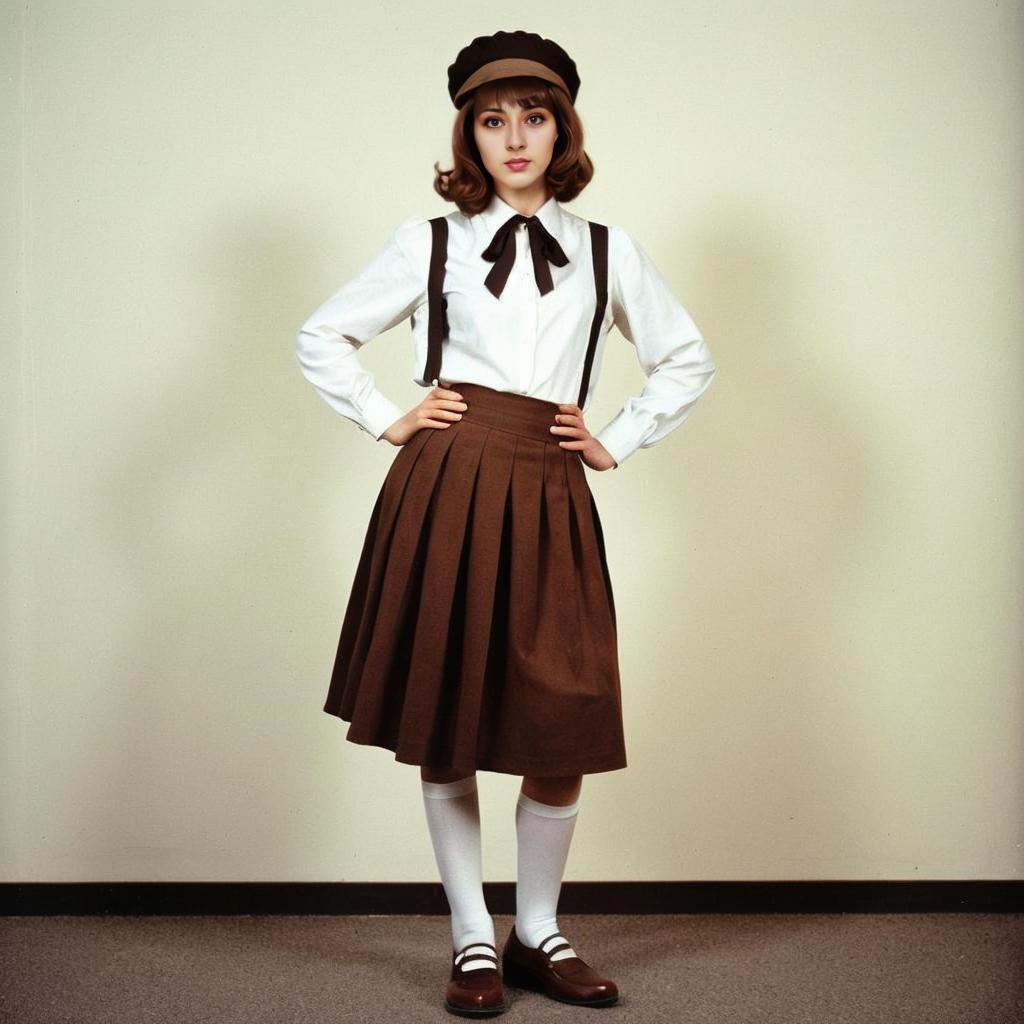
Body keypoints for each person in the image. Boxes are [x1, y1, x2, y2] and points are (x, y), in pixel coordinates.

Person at [295, 28, 717, 1018]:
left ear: (560, 127)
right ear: (469, 135)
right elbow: (323, 332)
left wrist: (617, 435)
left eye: (532, 117)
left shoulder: (606, 251)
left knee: (555, 717)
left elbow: (686, 355)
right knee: (447, 717)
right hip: (445, 479)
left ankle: (539, 928)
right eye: (492, 120)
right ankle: (472, 938)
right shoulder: (428, 241)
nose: (513, 138)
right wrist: (385, 415)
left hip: (547, 482)